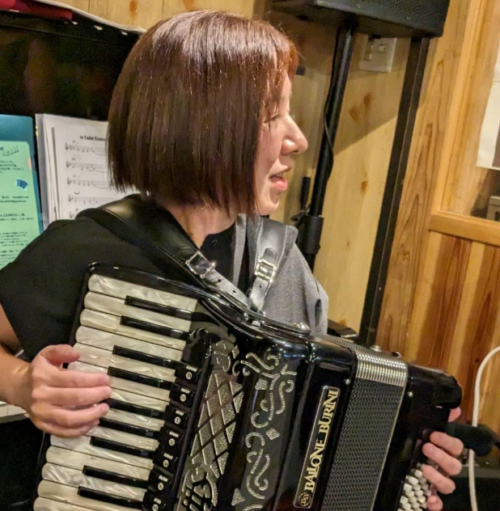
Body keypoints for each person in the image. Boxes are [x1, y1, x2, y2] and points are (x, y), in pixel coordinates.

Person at [0, 10, 462, 511]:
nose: (298, 140)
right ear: (204, 126)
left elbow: (308, 448)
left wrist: (401, 464)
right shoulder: (90, 250)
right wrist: (21, 384)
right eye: (273, 116)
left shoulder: (282, 264)